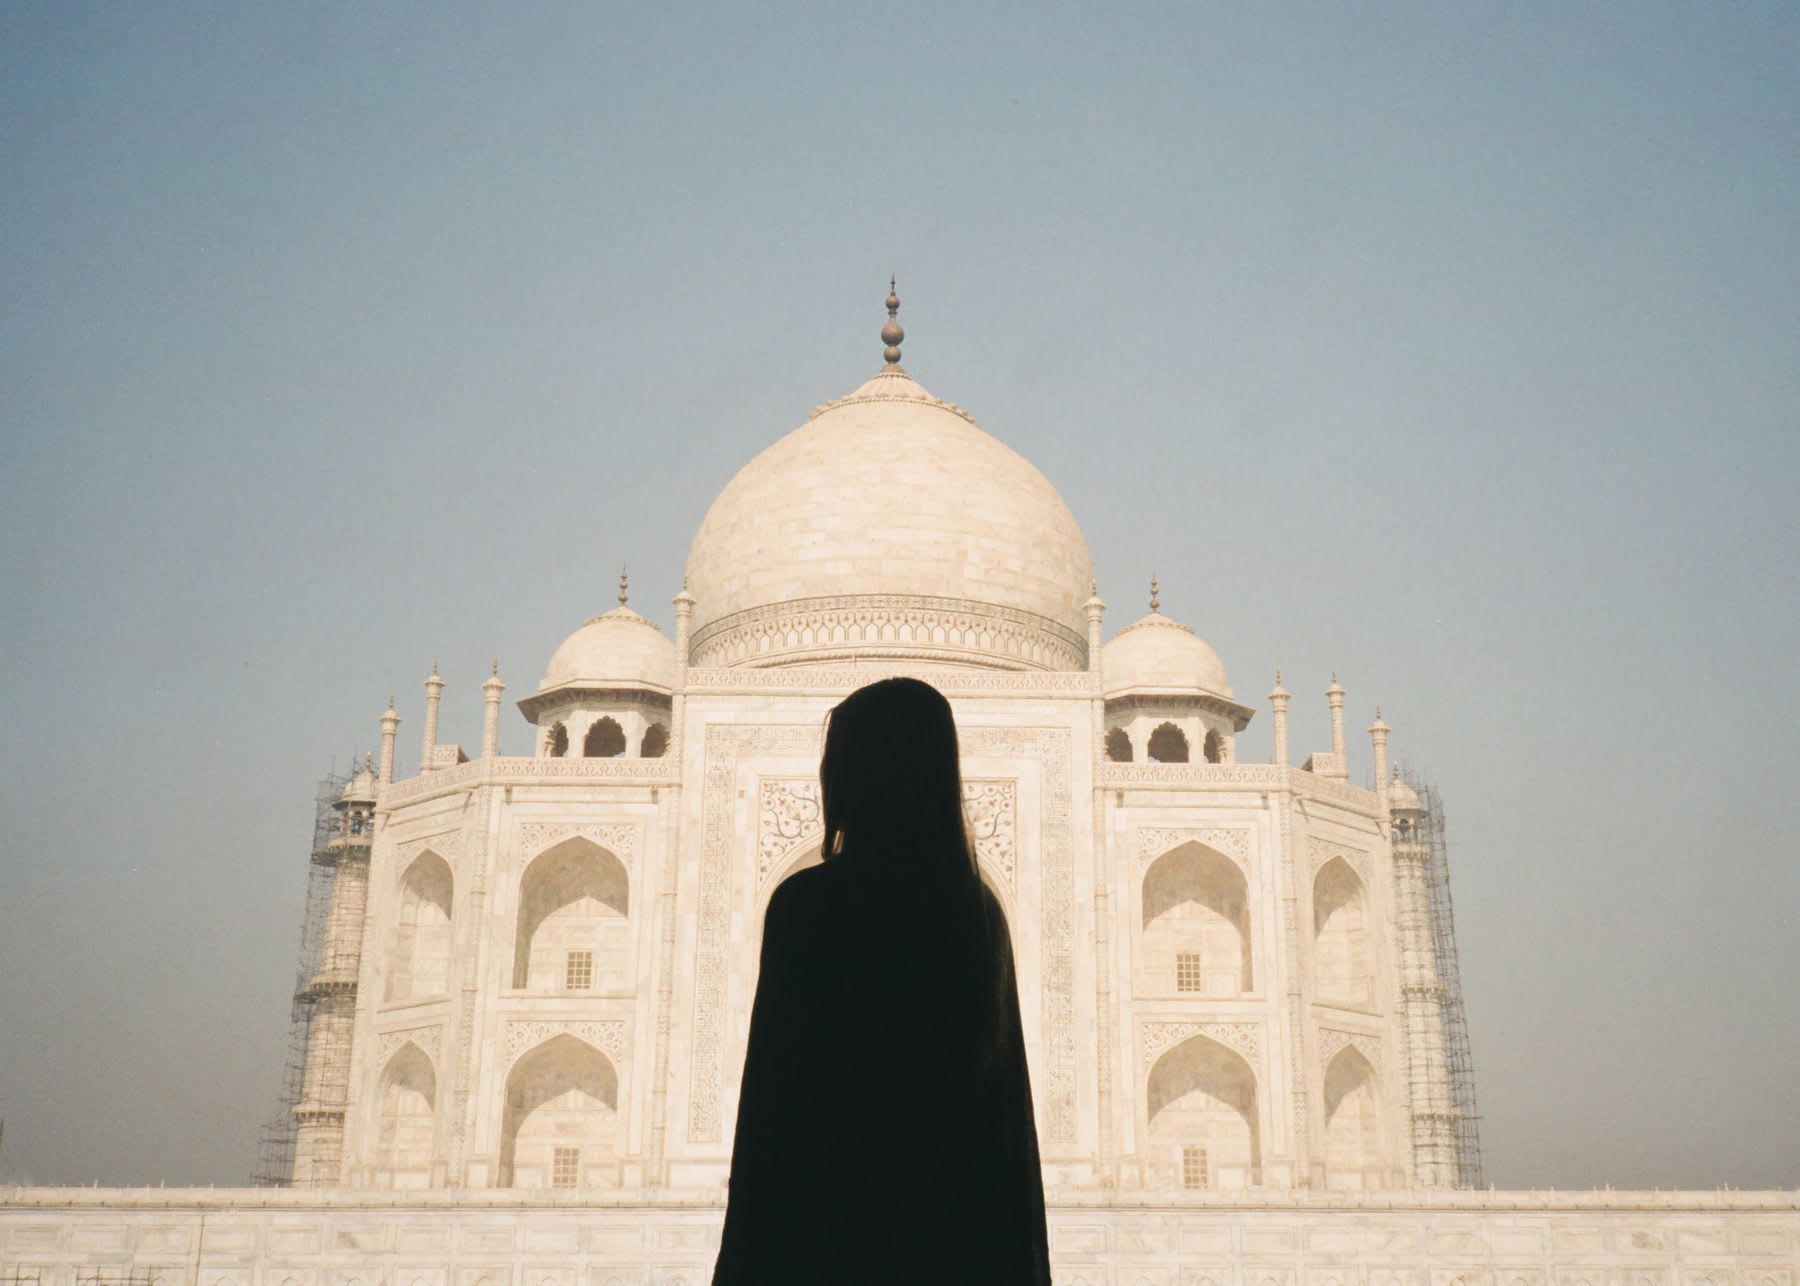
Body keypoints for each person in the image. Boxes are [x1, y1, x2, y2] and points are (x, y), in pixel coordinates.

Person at [712, 676, 1052, 1285]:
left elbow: (772, 1117)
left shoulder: (808, 908)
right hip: (953, 1241)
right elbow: (1001, 1134)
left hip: (827, 1239)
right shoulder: (975, 914)